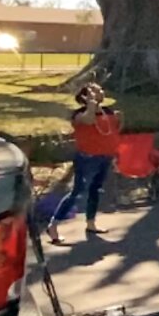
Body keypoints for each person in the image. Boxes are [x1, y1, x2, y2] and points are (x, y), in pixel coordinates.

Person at [47, 83, 122, 244]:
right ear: (84, 97)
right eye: (95, 91)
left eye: (100, 90)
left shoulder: (108, 112)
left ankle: (91, 223)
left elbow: (113, 132)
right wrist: (90, 106)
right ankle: (53, 225)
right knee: (78, 191)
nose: (101, 92)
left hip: (105, 157)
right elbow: (88, 121)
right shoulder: (79, 114)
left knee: (95, 190)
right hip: (87, 158)